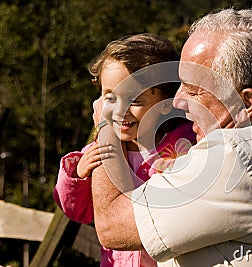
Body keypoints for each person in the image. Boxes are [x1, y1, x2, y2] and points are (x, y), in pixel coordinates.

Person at [91, 8, 252, 266]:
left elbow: (113, 225)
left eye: (194, 90)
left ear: (246, 102)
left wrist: (106, 125)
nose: (179, 100)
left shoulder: (234, 155)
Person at [53, 33, 196, 267]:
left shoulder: (182, 146)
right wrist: (77, 175)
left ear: (166, 103)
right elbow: (78, 212)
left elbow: (157, 211)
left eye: (136, 100)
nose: (120, 110)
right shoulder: (98, 151)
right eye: (110, 97)